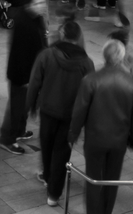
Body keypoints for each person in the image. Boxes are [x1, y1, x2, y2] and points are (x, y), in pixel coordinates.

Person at [69, 40, 133, 214]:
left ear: (104, 56)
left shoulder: (90, 80)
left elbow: (79, 111)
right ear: (121, 57)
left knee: (93, 180)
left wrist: (73, 134)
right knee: (112, 181)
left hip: (95, 140)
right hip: (118, 142)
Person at [26, 20, 95, 207]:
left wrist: (30, 105)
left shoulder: (47, 55)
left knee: (46, 147)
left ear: (62, 35)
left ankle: (48, 178)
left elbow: (34, 82)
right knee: (62, 153)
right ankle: (54, 195)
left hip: (48, 111)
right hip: (70, 116)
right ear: (78, 37)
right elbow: (90, 93)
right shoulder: (87, 63)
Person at [0, 0, 47, 155]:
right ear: (28, 5)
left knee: (25, 106)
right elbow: (19, 55)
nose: (41, 6)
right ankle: (7, 139)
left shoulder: (37, 18)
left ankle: (20, 131)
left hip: (32, 73)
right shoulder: (23, 23)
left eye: (42, 3)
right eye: (37, 3)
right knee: (16, 108)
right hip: (22, 75)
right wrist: (26, 78)